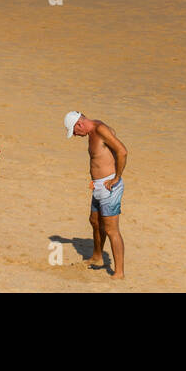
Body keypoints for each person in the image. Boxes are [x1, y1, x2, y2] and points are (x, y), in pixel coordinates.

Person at [64, 111, 128, 279]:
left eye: (75, 132)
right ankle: (97, 256)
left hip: (109, 187)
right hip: (98, 185)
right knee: (94, 220)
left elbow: (122, 151)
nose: (76, 136)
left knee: (111, 229)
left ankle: (119, 272)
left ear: (79, 124)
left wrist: (117, 177)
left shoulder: (100, 129)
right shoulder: (93, 129)